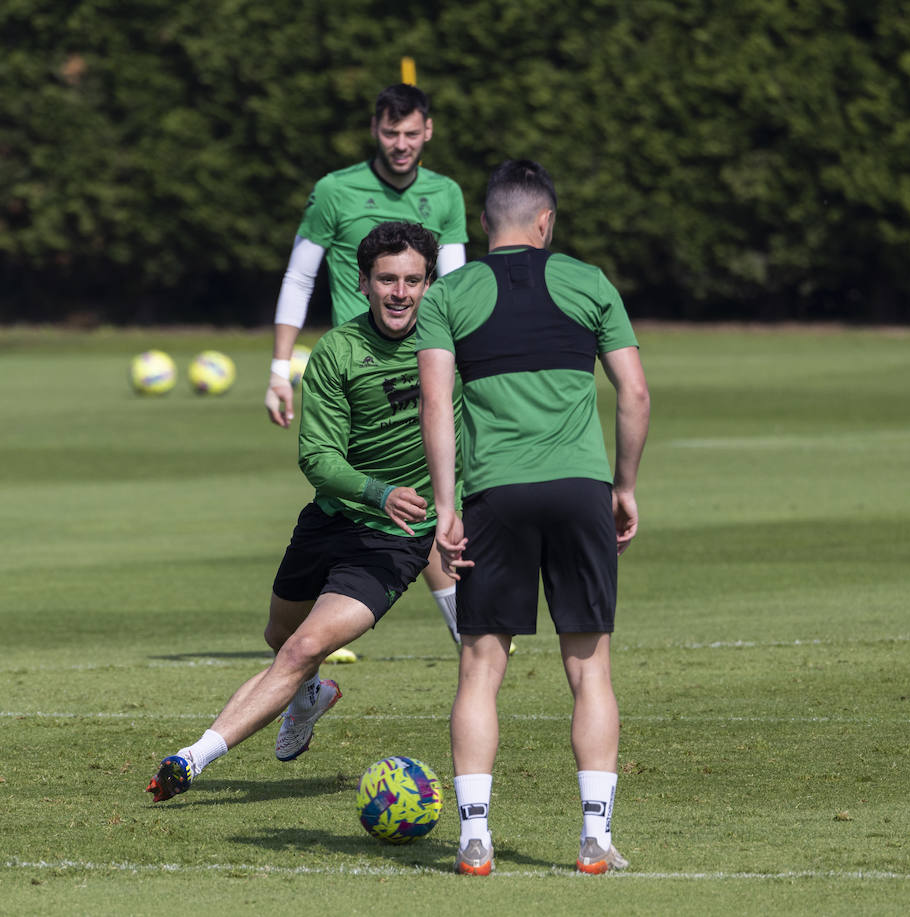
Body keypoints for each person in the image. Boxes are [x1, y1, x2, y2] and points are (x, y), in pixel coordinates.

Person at [148, 221, 456, 802]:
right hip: (331, 520)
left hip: (394, 540)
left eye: (413, 280)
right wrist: (376, 490)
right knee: (279, 636)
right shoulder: (339, 351)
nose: (400, 293)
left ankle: (193, 758)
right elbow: (317, 457)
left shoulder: (451, 347)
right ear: (362, 282)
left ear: (429, 283)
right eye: (387, 279)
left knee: (301, 648)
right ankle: (309, 698)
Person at [416, 159, 651, 876]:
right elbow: (635, 394)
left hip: (496, 496)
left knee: (481, 667)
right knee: (589, 666)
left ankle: (475, 837)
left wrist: (448, 505)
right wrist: (624, 485)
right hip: (580, 489)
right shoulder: (589, 282)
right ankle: (593, 837)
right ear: (545, 222)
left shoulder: (448, 293)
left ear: (486, 224)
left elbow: (435, 408)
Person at [265, 82, 470, 646]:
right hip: (355, 368)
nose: (400, 144)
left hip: (422, 359)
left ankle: (460, 624)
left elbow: (455, 285)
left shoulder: (445, 194)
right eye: (389, 132)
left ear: (428, 131)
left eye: (411, 133)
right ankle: (330, 617)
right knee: (361, 489)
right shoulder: (336, 190)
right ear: (374, 130)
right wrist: (280, 370)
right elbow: (300, 275)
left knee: (424, 487)